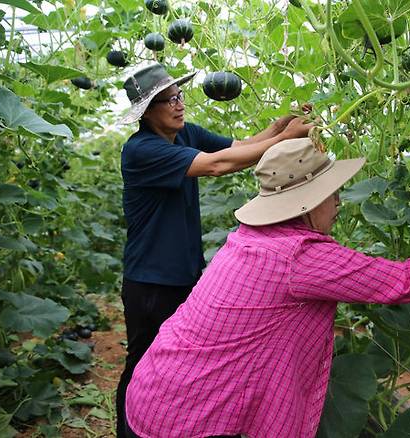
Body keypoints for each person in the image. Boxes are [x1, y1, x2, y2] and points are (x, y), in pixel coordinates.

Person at [123, 137, 410, 438]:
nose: (338, 202)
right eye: (330, 194)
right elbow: (404, 280)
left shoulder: (248, 238)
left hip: (157, 394)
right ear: (305, 204)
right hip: (187, 422)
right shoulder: (299, 255)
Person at [116, 63, 313, 438]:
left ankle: (162, 427)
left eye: (179, 96)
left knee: (172, 366)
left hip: (184, 275)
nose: (178, 105)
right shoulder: (142, 149)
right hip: (151, 282)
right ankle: (128, 431)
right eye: (167, 100)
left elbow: (241, 146)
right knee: (142, 365)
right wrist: (285, 138)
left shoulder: (185, 133)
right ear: (147, 111)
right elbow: (218, 165)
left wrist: (284, 124)